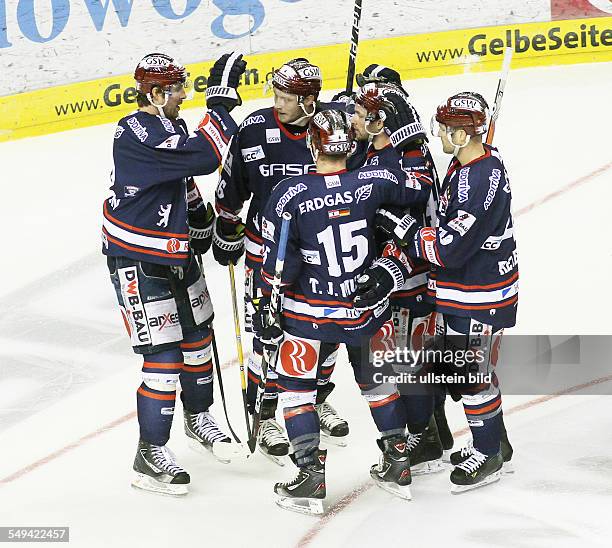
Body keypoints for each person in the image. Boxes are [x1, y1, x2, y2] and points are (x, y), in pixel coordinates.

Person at [255, 108, 430, 514]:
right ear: (350, 145)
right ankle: (398, 462)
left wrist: (266, 304)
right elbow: (419, 193)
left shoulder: (289, 193)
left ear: (313, 143)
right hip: (366, 311)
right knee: (378, 386)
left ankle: (310, 478)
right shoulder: (374, 181)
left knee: (297, 392)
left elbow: (282, 267)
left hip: (308, 316)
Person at [356, 91, 517, 492]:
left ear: (463, 134)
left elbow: (449, 249)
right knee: (463, 369)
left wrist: (405, 229)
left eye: (446, 129)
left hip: (480, 292)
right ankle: (495, 442)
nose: (439, 135)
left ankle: (488, 453)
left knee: (473, 373)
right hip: (468, 290)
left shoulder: (477, 179)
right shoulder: (472, 164)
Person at [102, 52, 247, 495]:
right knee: (164, 359)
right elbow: (204, 157)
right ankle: (150, 453)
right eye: (178, 89)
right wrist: (220, 102)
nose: (185, 95)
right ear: (157, 93)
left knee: (198, 341)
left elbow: (183, 180)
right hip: (138, 258)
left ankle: (198, 417)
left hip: (176, 253)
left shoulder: (169, 126)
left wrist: (205, 221)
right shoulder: (136, 132)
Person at [213, 58, 351, 463]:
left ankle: (316, 399)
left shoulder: (333, 129)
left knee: (327, 332)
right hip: (266, 256)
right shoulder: (255, 128)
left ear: (310, 101)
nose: (279, 104)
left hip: (320, 253)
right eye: (276, 94)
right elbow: (230, 188)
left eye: (287, 97)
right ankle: (267, 412)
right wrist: (226, 224)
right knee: (268, 337)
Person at [349, 78, 449, 474]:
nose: (352, 119)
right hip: (388, 276)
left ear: (380, 122)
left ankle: (423, 438)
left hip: (411, 278)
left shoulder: (405, 162)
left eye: (359, 114)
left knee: (411, 362)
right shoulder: (375, 153)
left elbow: (413, 223)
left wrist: (393, 265)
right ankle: (427, 431)